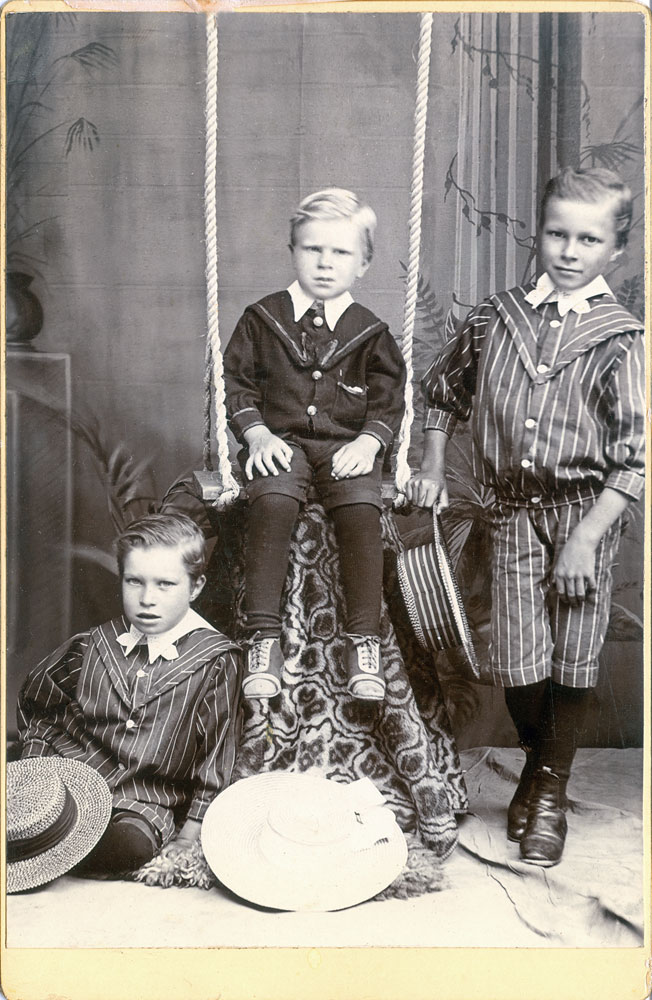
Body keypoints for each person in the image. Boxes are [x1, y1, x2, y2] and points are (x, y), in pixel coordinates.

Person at [406, 167, 645, 866]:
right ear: (538, 233)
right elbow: (443, 393)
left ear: (616, 250)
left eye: (589, 239)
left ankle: (546, 789)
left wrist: (586, 540)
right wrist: (428, 463)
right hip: (510, 513)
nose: (570, 251)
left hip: (584, 518)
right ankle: (545, 768)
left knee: (572, 653)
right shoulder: (496, 317)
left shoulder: (622, 339)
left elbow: (634, 455)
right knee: (517, 659)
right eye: (557, 233)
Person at [224, 187, 406, 703]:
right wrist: (256, 434)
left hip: (345, 447)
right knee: (274, 500)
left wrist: (372, 442)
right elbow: (236, 384)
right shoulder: (263, 320)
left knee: (361, 512)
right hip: (280, 442)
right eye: (312, 249)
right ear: (292, 251)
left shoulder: (371, 333)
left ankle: (362, 642)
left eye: (341, 252)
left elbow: (389, 398)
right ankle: (263, 639)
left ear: (364, 263)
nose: (325, 263)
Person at [15, 512, 241, 876]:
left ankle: (59, 849)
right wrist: (35, 771)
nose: (147, 599)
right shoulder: (93, 645)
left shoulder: (214, 661)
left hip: (144, 800)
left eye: (165, 584)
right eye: (134, 581)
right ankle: (40, 833)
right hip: (73, 781)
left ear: (196, 587)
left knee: (130, 845)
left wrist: (188, 837)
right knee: (33, 816)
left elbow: (217, 757)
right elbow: (39, 705)